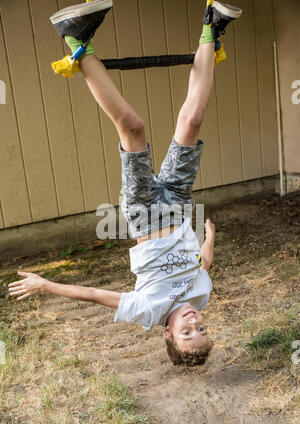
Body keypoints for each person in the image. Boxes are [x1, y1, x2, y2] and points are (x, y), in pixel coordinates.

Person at [8, 0, 242, 366]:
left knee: (133, 128)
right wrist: (209, 237)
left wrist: (45, 285)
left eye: (187, 333)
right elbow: (203, 265)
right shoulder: (201, 296)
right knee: (193, 120)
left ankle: (73, 39)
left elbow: (93, 294)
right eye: (202, 330)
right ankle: (211, 27)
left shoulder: (147, 310)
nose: (195, 323)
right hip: (180, 204)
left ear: (167, 333)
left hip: (145, 213)